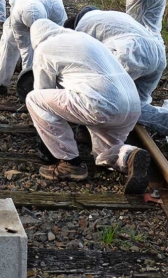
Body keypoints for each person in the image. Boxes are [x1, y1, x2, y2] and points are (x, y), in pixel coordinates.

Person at [25, 19, 149, 192]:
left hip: (101, 104)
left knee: (34, 99)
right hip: (132, 105)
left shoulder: (43, 48)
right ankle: (130, 155)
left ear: (35, 39)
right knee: (102, 156)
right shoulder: (84, 38)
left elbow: (43, 92)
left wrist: (49, 135)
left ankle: (70, 164)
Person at [70, 7, 168, 148]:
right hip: (157, 54)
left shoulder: (80, 29)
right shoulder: (111, 15)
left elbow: (82, 67)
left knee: (100, 97)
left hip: (129, 52)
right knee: (137, 106)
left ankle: (91, 135)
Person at [0, 0, 67, 98]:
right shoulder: (17, 16)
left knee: (51, 49)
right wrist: (27, 78)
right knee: (8, 41)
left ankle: (53, 86)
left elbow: (57, 42)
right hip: (23, 2)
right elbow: (25, 49)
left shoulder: (56, 11)